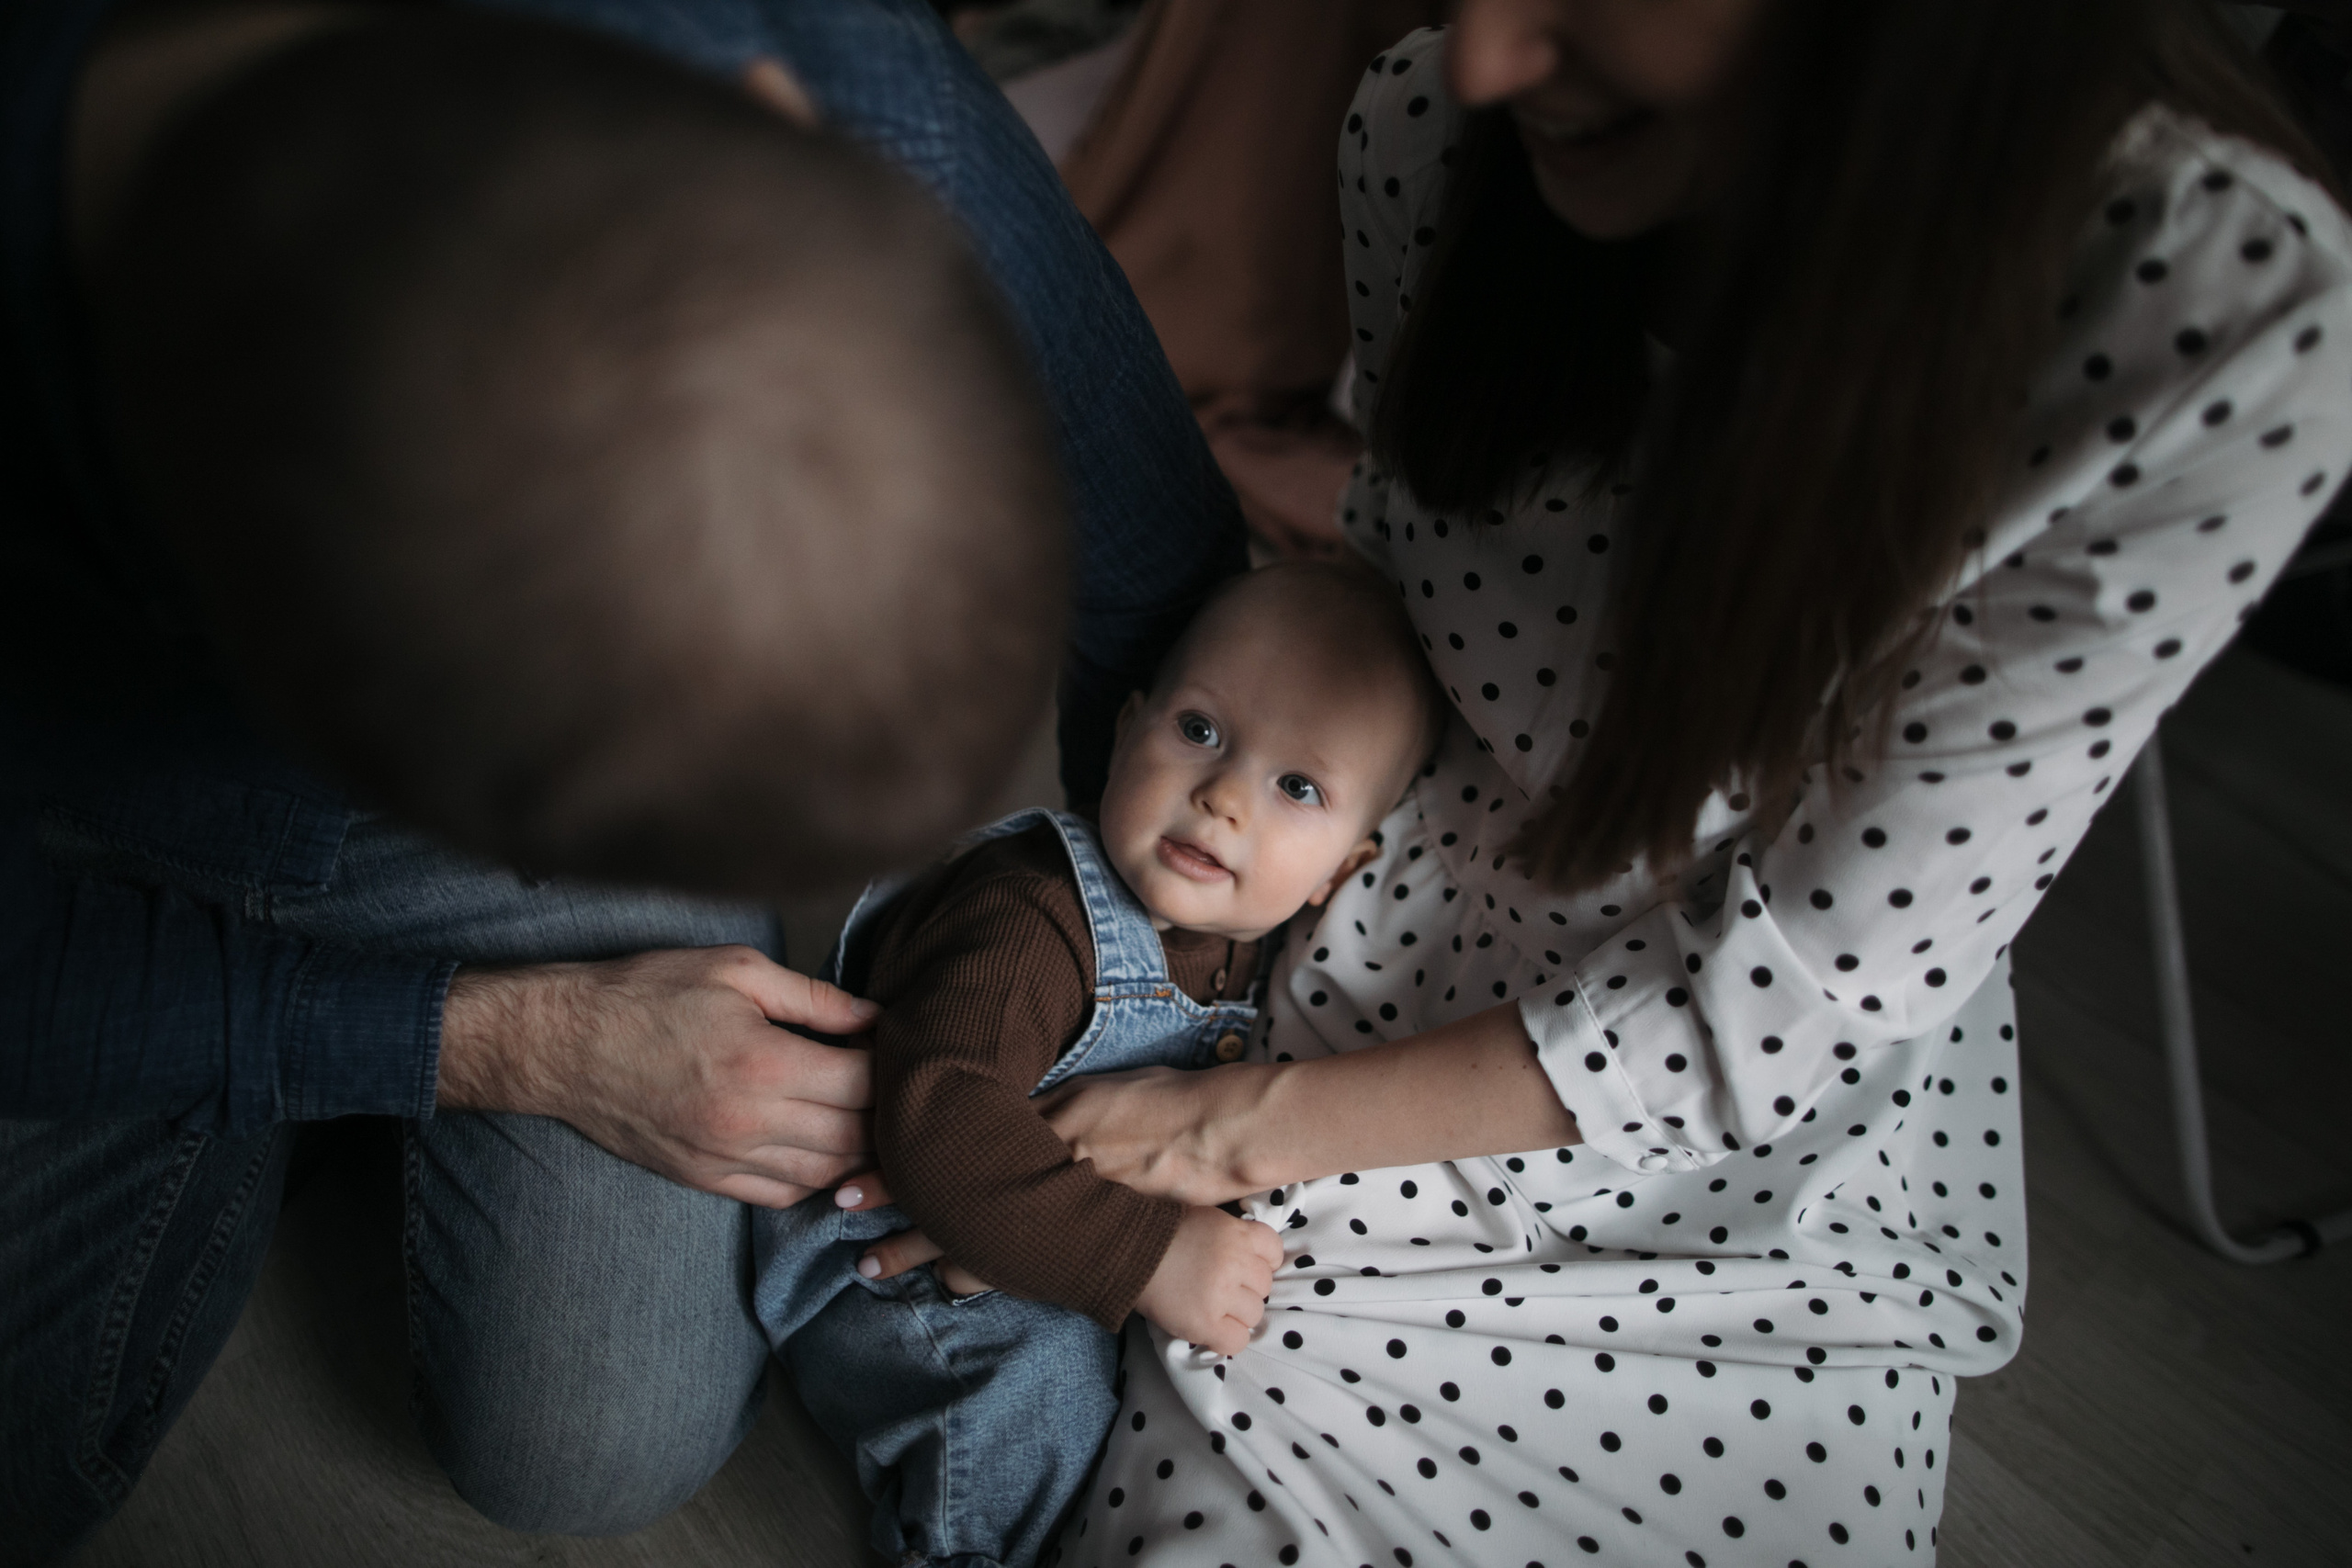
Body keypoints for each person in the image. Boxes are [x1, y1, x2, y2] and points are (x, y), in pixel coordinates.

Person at [847, 3, 2352, 1562]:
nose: (1486, 57)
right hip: (1373, 966)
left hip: (1718, 1104)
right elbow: (1397, 593)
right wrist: (1096, 1165)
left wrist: (1211, 1137)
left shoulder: (2217, 323)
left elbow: (1791, 999)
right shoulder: (1431, 129)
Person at [0, 0, 1242, 1558]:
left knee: (590, 1444)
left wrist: (1134, 1019)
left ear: (775, 117)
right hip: (81, 819)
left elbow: (1160, 582)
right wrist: (498, 1038)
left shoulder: (842, 94)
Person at [750, 561, 1446, 1568]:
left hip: (1019, 1220)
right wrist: (1148, 1256)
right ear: (1126, 732)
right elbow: (938, 1116)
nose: (1223, 797)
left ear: (1339, 872)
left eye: (1297, 787)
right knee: (1048, 1394)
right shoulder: (1031, 916)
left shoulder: (1255, 955)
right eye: (1200, 730)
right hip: (882, 1256)